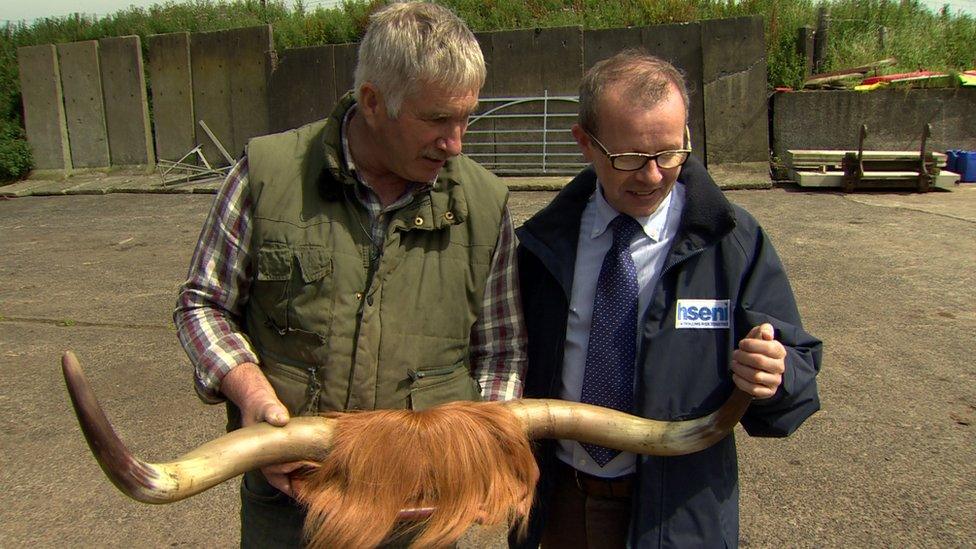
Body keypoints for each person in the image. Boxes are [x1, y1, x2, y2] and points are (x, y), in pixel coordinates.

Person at [173, 2, 527, 546]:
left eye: (465, 117)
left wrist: (476, 448)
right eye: (436, 119)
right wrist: (250, 393)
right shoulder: (266, 175)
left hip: (421, 509)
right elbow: (203, 304)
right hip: (294, 501)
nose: (456, 143)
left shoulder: (484, 203)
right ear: (372, 102)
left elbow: (501, 351)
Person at [513, 49, 822, 548]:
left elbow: (796, 370)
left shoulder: (732, 240)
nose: (652, 175)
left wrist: (777, 375)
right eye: (629, 158)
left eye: (670, 153)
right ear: (585, 144)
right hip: (558, 505)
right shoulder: (540, 246)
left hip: (679, 511)